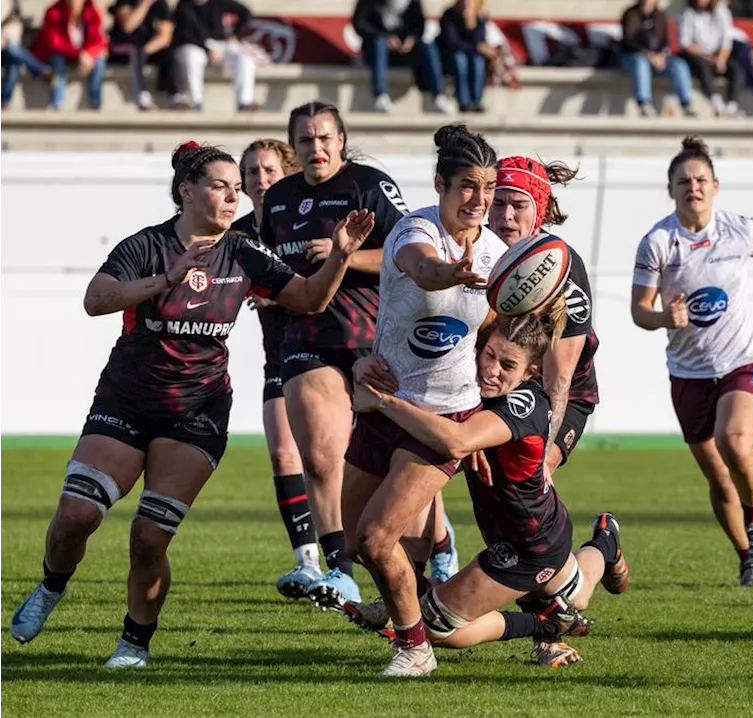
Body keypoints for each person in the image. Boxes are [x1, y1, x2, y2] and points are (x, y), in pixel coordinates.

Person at [8, 142, 375, 666]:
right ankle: (51, 585)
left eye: (236, 188)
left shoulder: (245, 251)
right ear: (187, 191)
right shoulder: (148, 245)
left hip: (197, 411)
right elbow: (95, 299)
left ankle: (134, 644)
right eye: (221, 186)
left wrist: (341, 253)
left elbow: (311, 298)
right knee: (76, 515)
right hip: (127, 401)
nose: (234, 196)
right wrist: (166, 279)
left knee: (147, 537)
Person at [345, 309, 630, 677]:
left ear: (530, 373)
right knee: (577, 591)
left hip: (531, 546)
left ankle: (545, 623)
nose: (491, 370)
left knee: (436, 627)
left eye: (507, 365)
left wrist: (384, 401)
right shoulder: (477, 386)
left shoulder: (523, 403)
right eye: (489, 355)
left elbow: (457, 440)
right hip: (528, 528)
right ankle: (606, 541)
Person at [257, 100, 450, 609]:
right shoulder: (278, 199)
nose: (316, 147)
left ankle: (439, 545)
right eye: (305, 140)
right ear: (295, 147)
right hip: (307, 338)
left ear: (341, 140)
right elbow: (268, 264)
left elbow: (408, 249)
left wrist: (343, 252)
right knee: (320, 458)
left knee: (397, 463)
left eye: (324, 137)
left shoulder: (369, 185)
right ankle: (339, 570)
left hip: (374, 339)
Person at [339, 123, 504, 678]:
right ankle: (434, 602)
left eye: (487, 188)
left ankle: (415, 648)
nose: (478, 200)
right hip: (383, 401)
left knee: (376, 536)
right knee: (356, 540)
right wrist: (449, 272)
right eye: (466, 186)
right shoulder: (414, 231)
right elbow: (419, 267)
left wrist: (488, 415)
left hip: (444, 417)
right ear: (440, 183)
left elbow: (498, 339)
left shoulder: (502, 256)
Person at [632, 135, 753, 589]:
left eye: (701, 179)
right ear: (671, 189)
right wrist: (662, 316)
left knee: (735, 441)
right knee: (718, 475)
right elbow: (638, 312)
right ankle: (747, 556)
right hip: (688, 373)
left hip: (741, 362)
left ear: (716, 185)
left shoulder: (739, 229)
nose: (694, 187)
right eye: (684, 181)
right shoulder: (657, 242)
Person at [487, 154, 601, 666]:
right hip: (496, 395)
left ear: (541, 210)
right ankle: (410, 597)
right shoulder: (481, 252)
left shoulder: (561, 267)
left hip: (557, 401)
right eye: (497, 203)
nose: (505, 216)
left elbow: (557, 378)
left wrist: (547, 453)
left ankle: (550, 632)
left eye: (518, 205)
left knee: (523, 509)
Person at [231, 138, 326, 598]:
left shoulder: (308, 220)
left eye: (268, 170)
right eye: (251, 172)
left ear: (288, 173)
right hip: (280, 355)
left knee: (349, 462)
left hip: (331, 353)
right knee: (284, 454)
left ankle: (439, 540)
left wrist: (279, 292)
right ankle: (308, 562)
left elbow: (327, 284)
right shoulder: (240, 235)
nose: (260, 179)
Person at [351, 0, 449, 114]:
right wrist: (385, 37)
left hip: (404, 51)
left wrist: (411, 39)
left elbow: (419, 27)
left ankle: (439, 96)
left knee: (428, 46)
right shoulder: (368, 2)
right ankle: (380, 96)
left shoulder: (413, 3)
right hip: (377, 52)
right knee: (379, 43)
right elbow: (359, 23)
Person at [169, 0, 257, 112]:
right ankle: (196, 102)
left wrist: (235, 35)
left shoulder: (217, 2)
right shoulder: (183, 6)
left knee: (243, 59)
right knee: (191, 57)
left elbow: (245, 12)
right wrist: (207, 49)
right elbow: (185, 34)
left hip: (218, 45)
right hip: (194, 45)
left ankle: (244, 102)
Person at [619, 0, 694, 118]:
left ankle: (686, 104)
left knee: (679, 65)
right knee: (641, 63)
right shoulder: (630, 14)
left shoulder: (660, 16)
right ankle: (644, 102)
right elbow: (629, 42)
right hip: (634, 57)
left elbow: (665, 42)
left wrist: (661, 56)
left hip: (657, 58)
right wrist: (649, 55)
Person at [29, 0, 108, 111]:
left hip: (81, 56)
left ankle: (95, 104)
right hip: (55, 55)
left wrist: (89, 53)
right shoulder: (54, 12)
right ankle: (57, 104)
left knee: (99, 61)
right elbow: (54, 43)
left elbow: (99, 40)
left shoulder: (92, 12)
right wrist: (79, 54)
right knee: (57, 60)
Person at [106, 0, 177, 111]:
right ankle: (141, 95)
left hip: (145, 50)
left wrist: (145, 51)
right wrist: (144, 4)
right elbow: (128, 26)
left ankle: (175, 95)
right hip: (122, 48)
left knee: (167, 52)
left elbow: (165, 37)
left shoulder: (161, 5)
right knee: (135, 50)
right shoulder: (125, 3)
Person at [437, 0, 496, 113]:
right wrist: (474, 48)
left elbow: (480, 41)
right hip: (450, 55)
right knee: (460, 59)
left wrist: (470, 23)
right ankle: (464, 101)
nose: (466, 4)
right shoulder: (449, 15)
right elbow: (452, 42)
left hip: (471, 54)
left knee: (478, 60)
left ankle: (476, 100)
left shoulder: (480, 16)